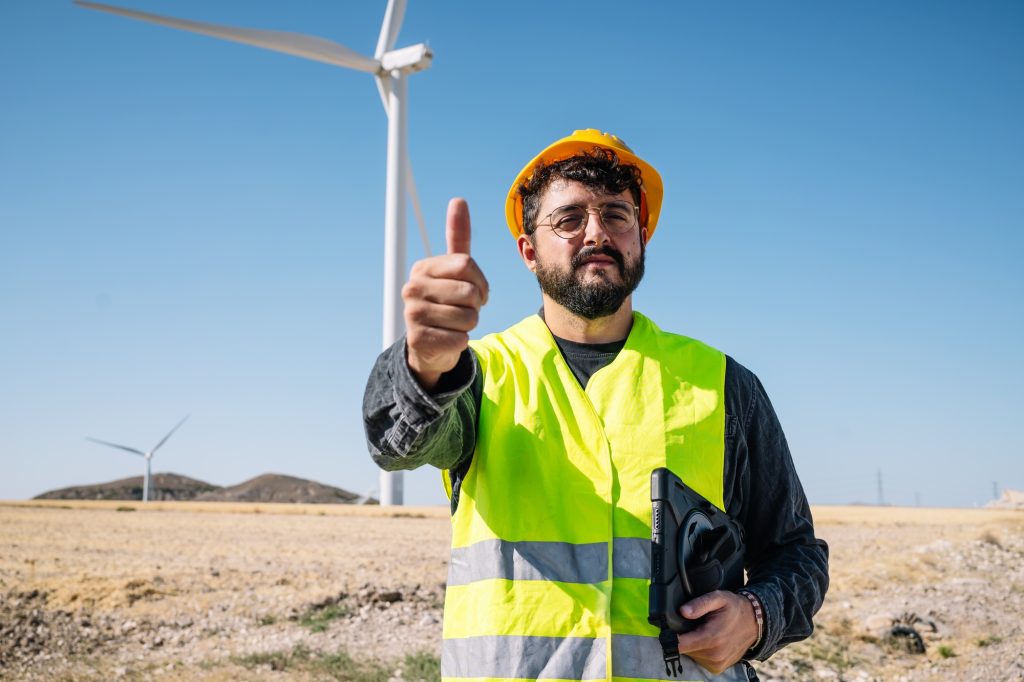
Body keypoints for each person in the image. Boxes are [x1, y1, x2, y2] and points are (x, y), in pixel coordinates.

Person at [364, 129, 829, 682]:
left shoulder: (724, 385)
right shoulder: (478, 375)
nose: (596, 233)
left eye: (616, 215)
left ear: (642, 237)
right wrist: (424, 364)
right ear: (528, 251)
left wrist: (754, 617)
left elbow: (797, 554)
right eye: (568, 219)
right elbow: (398, 440)